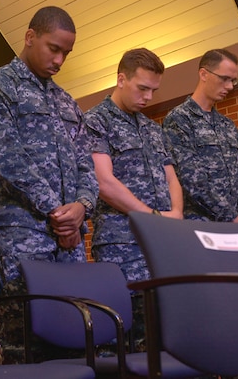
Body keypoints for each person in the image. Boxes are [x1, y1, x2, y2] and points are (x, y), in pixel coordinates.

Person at [0, 6, 98, 363]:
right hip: (21, 235)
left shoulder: (65, 101)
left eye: (67, 53)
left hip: (68, 238)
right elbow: (5, 157)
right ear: (30, 37)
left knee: (74, 338)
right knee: (23, 345)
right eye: (53, 48)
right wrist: (58, 211)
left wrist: (81, 206)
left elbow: (85, 163)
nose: (60, 60)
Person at [83, 48, 183, 352]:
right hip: (122, 244)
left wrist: (176, 213)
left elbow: (171, 177)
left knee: (162, 336)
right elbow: (104, 182)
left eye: (154, 90)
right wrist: (153, 216)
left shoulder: (153, 129)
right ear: (121, 79)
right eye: (142, 88)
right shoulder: (96, 121)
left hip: (162, 244)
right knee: (124, 341)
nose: (148, 97)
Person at [163, 48, 238, 222]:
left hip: (236, 226)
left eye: (233, 80)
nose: (229, 86)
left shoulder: (228, 126)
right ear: (204, 74)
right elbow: (191, 180)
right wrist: (232, 217)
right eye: (224, 79)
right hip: (201, 225)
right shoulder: (179, 119)